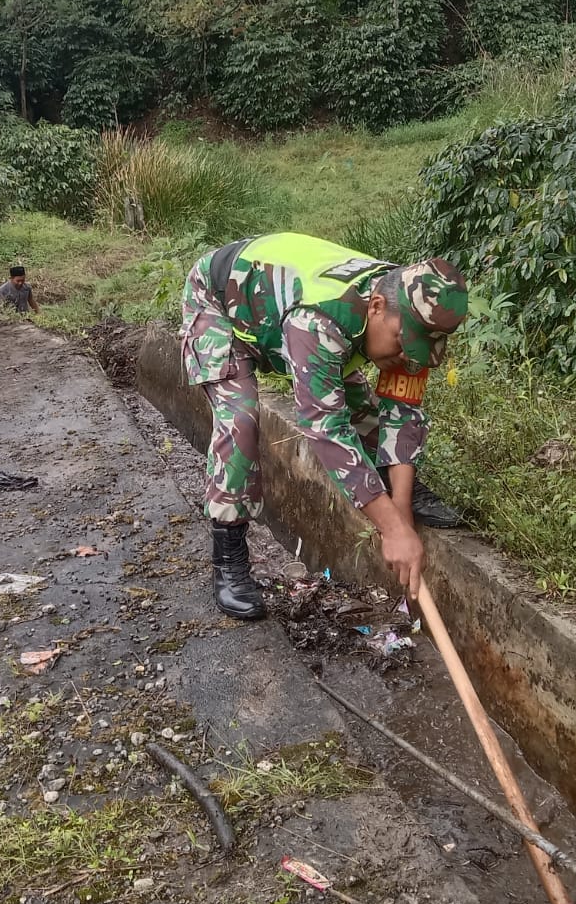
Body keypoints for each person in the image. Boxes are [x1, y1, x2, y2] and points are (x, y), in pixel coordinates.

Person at [180, 233, 468, 620]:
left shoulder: (410, 316)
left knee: (365, 413)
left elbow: (402, 412)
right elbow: (326, 428)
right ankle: (229, 557)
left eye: (415, 348)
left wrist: (400, 515)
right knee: (241, 419)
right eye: (402, 343)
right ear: (377, 307)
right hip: (221, 303)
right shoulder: (320, 321)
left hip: (287, 314)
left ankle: (397, 487)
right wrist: (393, 530)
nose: (405, 355)